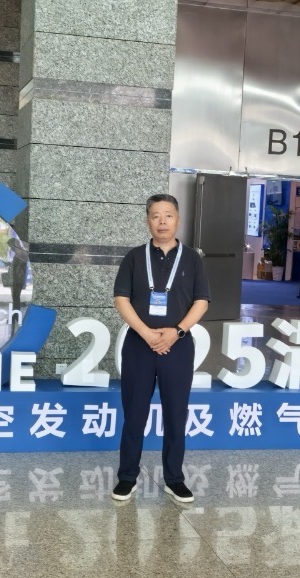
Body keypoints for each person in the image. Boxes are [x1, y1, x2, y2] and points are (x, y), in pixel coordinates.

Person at [111, 193, 210, 503]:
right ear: (147, 221)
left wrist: (176, 332)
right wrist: (146, 333)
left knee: (176, 415)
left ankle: (174, 479)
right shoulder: (134, 257)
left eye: (168, 215)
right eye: (156, 216)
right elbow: (121, 299)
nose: (162, 221)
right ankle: (127, 477)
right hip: (139, 346)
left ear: (177, 220)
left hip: (178, 347)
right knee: (134, 414)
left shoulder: (192, 258)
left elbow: (202, 302)